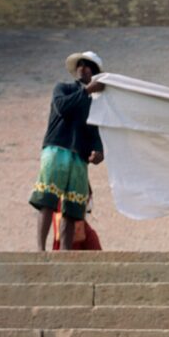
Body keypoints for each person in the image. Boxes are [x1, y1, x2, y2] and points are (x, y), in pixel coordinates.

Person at [29, 51, 106, 252]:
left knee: (72, 207)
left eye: (87, 65)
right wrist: (87, 91)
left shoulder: (95, 102)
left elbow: (95, 128)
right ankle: (40, 249)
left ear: (94, 72)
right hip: (57, 149)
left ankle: (65, 252)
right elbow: (63, 107)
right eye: (79, 64)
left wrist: (98, 150)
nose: (82, 68)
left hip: (79, 156)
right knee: (48, 199)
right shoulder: (63, 88)